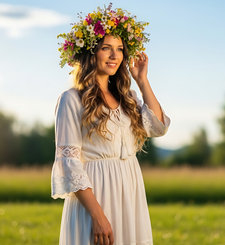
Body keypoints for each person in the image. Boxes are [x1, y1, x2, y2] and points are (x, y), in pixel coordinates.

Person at [51, 4, 171, 245]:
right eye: (106, 48)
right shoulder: (71, 99)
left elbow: (158, 127)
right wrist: (97, 216)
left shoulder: (127, 98)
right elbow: (69, 163)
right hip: (96, 195)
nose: (115, 56)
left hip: (130, 188)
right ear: (90, 52)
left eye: (119, 49)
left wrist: (142, 81)